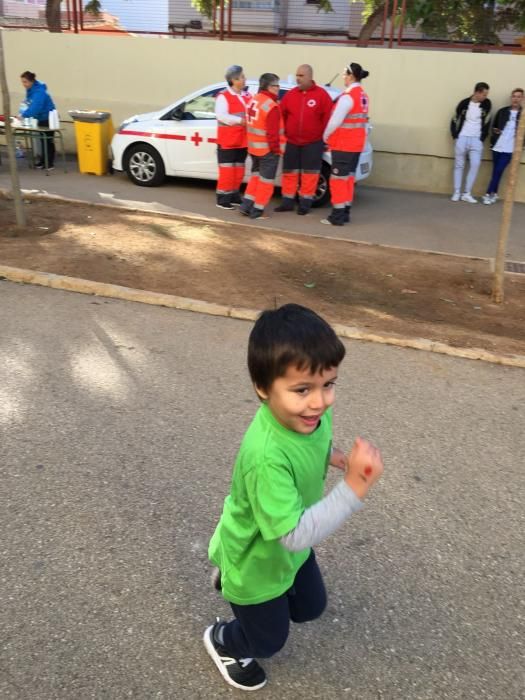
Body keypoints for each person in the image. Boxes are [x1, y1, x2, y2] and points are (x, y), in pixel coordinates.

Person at [204, 303, 384, 691]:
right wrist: (353, 488)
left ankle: (235, 585)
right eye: (302, 389)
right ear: (263, 388)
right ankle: (224, 640)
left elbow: (318, 443)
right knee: (269, 641)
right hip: (261, 559)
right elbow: (294, 535)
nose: (319, 401)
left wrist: (338, 458)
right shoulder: (265, 457)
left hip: (290, 543)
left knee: (310, 607)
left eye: (329, 384)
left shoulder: (310, 416)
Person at [274, 64, 333, 215]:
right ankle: (287, 202)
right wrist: (283, 136)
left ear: (310, 77)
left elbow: (328, 120)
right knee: (289, 173)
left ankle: (305, 204)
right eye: (297, 75)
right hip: (292, 141)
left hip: (313, 143)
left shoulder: (322, 95)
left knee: (310, 174)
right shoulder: (291, 95)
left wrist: (325, 140)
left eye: (301, 76)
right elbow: (282, 116)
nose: (297, 78)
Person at [321, 62, 370, 226]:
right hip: (356, 145)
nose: (343, 77)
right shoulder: (363, 96)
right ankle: (345, 212)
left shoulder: (348, 97)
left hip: (343, 145)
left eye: (344, 74)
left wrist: (325, 136)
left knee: (337, 180)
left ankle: (337, 215)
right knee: (348, 178)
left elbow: (335, 121)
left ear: (350, 76)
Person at [239, 73, 284, 220]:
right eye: (275, 85)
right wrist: (277, 151)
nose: (278, 88)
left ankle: (246, 206)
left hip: (254, 149)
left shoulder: (254, 100)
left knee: (255, 178)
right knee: (266, 182)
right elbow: (273, 135)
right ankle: (258, 211)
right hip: (267, 151)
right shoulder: (272, 106)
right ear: (267, 87)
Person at [215, 65, 252, 210]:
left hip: (242, 141)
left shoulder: (246, 96)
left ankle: (234, 195)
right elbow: (221, 116)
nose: (244, 79)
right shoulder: (223, 96)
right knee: (227, 172)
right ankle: (223, 199)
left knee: (238, 171)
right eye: (242, 77)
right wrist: (239, 121)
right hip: (228, 142)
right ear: (233, 80)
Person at [450, 81, 491, 204]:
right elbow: (454, 118)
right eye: (484, 94)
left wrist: (482, 138)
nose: (485, 97)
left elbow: (488, 120)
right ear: (477, 92)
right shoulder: (463, 103)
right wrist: (455, 135)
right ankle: (457, 192)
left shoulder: (487, 104)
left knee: (475, 164)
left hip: (476, 139)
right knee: (459, 165)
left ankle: (466, 193)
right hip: (462, 137)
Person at [482, 88, 524, 205]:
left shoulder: (523, 114)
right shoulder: (502, 111)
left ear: (522, 99)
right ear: (511, 98)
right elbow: (494, 126)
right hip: (497, 146)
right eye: (514, 96)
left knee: (498, 170)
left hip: (510, 149)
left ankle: (487, 193)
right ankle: (494, 194)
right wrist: (496, 131)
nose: (516, 99)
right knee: (496, 171)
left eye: (518, 96)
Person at [19, 70, 56, 170]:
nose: (24, 84)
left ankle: (49, 163)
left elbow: (36, 106)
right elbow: (29, 103)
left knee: (47, 141)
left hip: (48, 117)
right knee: (42, 141)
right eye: (22, 82)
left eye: (25, 82)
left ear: (31, 81)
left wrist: (24, 115)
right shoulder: (31, 90)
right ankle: (43, 161)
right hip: (40, 117)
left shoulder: (39, 92)